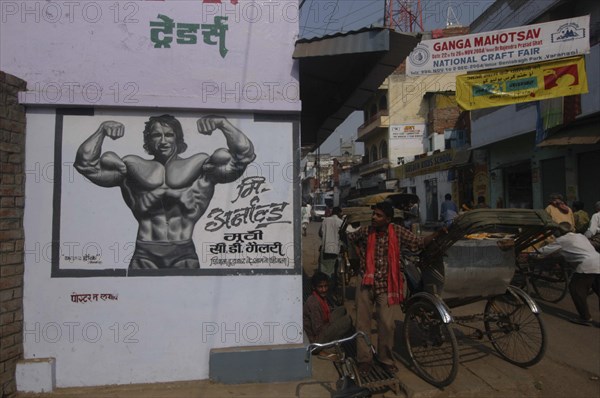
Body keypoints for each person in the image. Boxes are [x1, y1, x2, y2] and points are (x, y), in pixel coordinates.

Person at [74, 114, 255, 269]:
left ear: (177, 138)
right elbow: (86, 165)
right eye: (156, 135)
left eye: (169, 135)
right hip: (145, 252)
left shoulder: (200, 166)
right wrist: (102, 130)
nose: (163, 141)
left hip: (183, 252)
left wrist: (223, 124)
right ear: (148, 141)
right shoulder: (131, 167)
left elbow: (243, 156)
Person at [346, 201, 444, 375]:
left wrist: (437, 234)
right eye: (374, 214)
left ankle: (385, 359)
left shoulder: (397, 232)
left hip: (387, 285)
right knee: (362, 323)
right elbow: (350, 238)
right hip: (366, 283)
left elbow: (418, 242)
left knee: (387, 324)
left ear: (388, 219)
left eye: (378, 215)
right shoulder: (366, 231)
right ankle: (364, 360)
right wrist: (359, 253)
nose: (374, 218)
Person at [535, 222, 600, 326]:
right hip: (598, 260)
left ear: (559, 231)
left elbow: (544, 251)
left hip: (588, 265)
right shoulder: (580, 236)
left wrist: (533, 254)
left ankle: (585, 317)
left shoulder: (562, 240)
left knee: (576, 289)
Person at [303, 272, 353, 344]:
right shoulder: (313, 303)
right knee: (347, 321)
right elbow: (318, 330)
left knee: (342, 309)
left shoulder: (320, 297)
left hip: (323, 327)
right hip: (315, 340)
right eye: (320, 287)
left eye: (325, 286)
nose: (324, 289)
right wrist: (333, 325)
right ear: (314, 287)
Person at [319, 207, 344, 282]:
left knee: (324, 270)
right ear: (339, 213)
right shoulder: (340, 222)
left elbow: (320, 233)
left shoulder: (325, 220)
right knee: (334, 270)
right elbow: (344, 235)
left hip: (325, 249)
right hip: (336, 249)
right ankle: (333, 286)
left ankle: (325, 285)